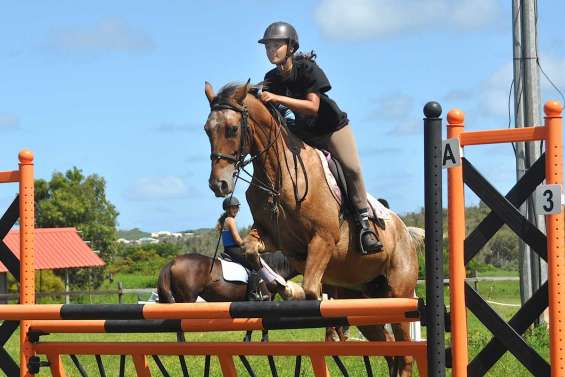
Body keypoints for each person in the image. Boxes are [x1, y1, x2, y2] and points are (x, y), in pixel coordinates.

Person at [257, 21, 383, 254]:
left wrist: (277, 99)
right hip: (304, 132)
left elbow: (313, 107)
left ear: (291, 47)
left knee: (351, 168)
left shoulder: (306, 69)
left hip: (331, 128)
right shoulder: (271, 78)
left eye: (276, 45)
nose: (271, 50)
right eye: (267, 46)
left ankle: (365, 225)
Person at [217, 196, 264, 301]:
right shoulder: (230, 220)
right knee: (254, 263)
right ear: (227, 209)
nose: (235, 210)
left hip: (230, 249)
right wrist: (250, 242)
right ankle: (252, 294)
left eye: (236, 208)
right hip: (233, 249)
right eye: (233, 208)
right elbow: (238, 241)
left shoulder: (227, 219)